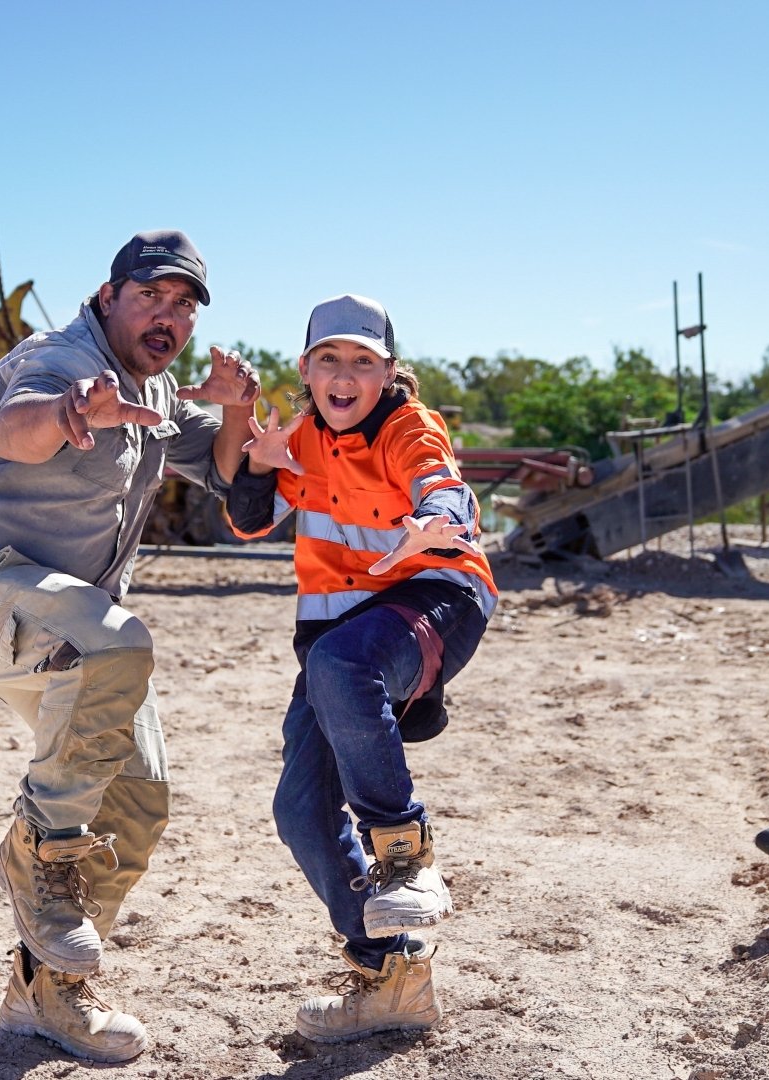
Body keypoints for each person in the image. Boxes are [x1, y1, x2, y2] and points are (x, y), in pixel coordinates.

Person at [0, 230, 258, 1063]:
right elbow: (22, 428)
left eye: (184, 305)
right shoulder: (59, 360)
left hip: (57, 622)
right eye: (150, 297)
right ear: (108, 296)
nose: (167, 317)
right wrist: (69, 414)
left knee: (138, 800)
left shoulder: (158, 393)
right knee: (120, 645)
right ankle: (37, 853)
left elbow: (233, 470)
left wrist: (237, 406)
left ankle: (45, 992)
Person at [226, 294, 497, 1042]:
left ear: (387, 372)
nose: (344, 376)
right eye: (329, 360)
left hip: (434, 596)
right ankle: (391, 974)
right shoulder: (303, 436)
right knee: (302, 812)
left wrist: (437, 513)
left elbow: (438, 479)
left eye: (363, 362)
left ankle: (404, 851)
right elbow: (250, 521)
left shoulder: (408, 427)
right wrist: (257, 460)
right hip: (336, 637)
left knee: (344, 663)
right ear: (307, 370)